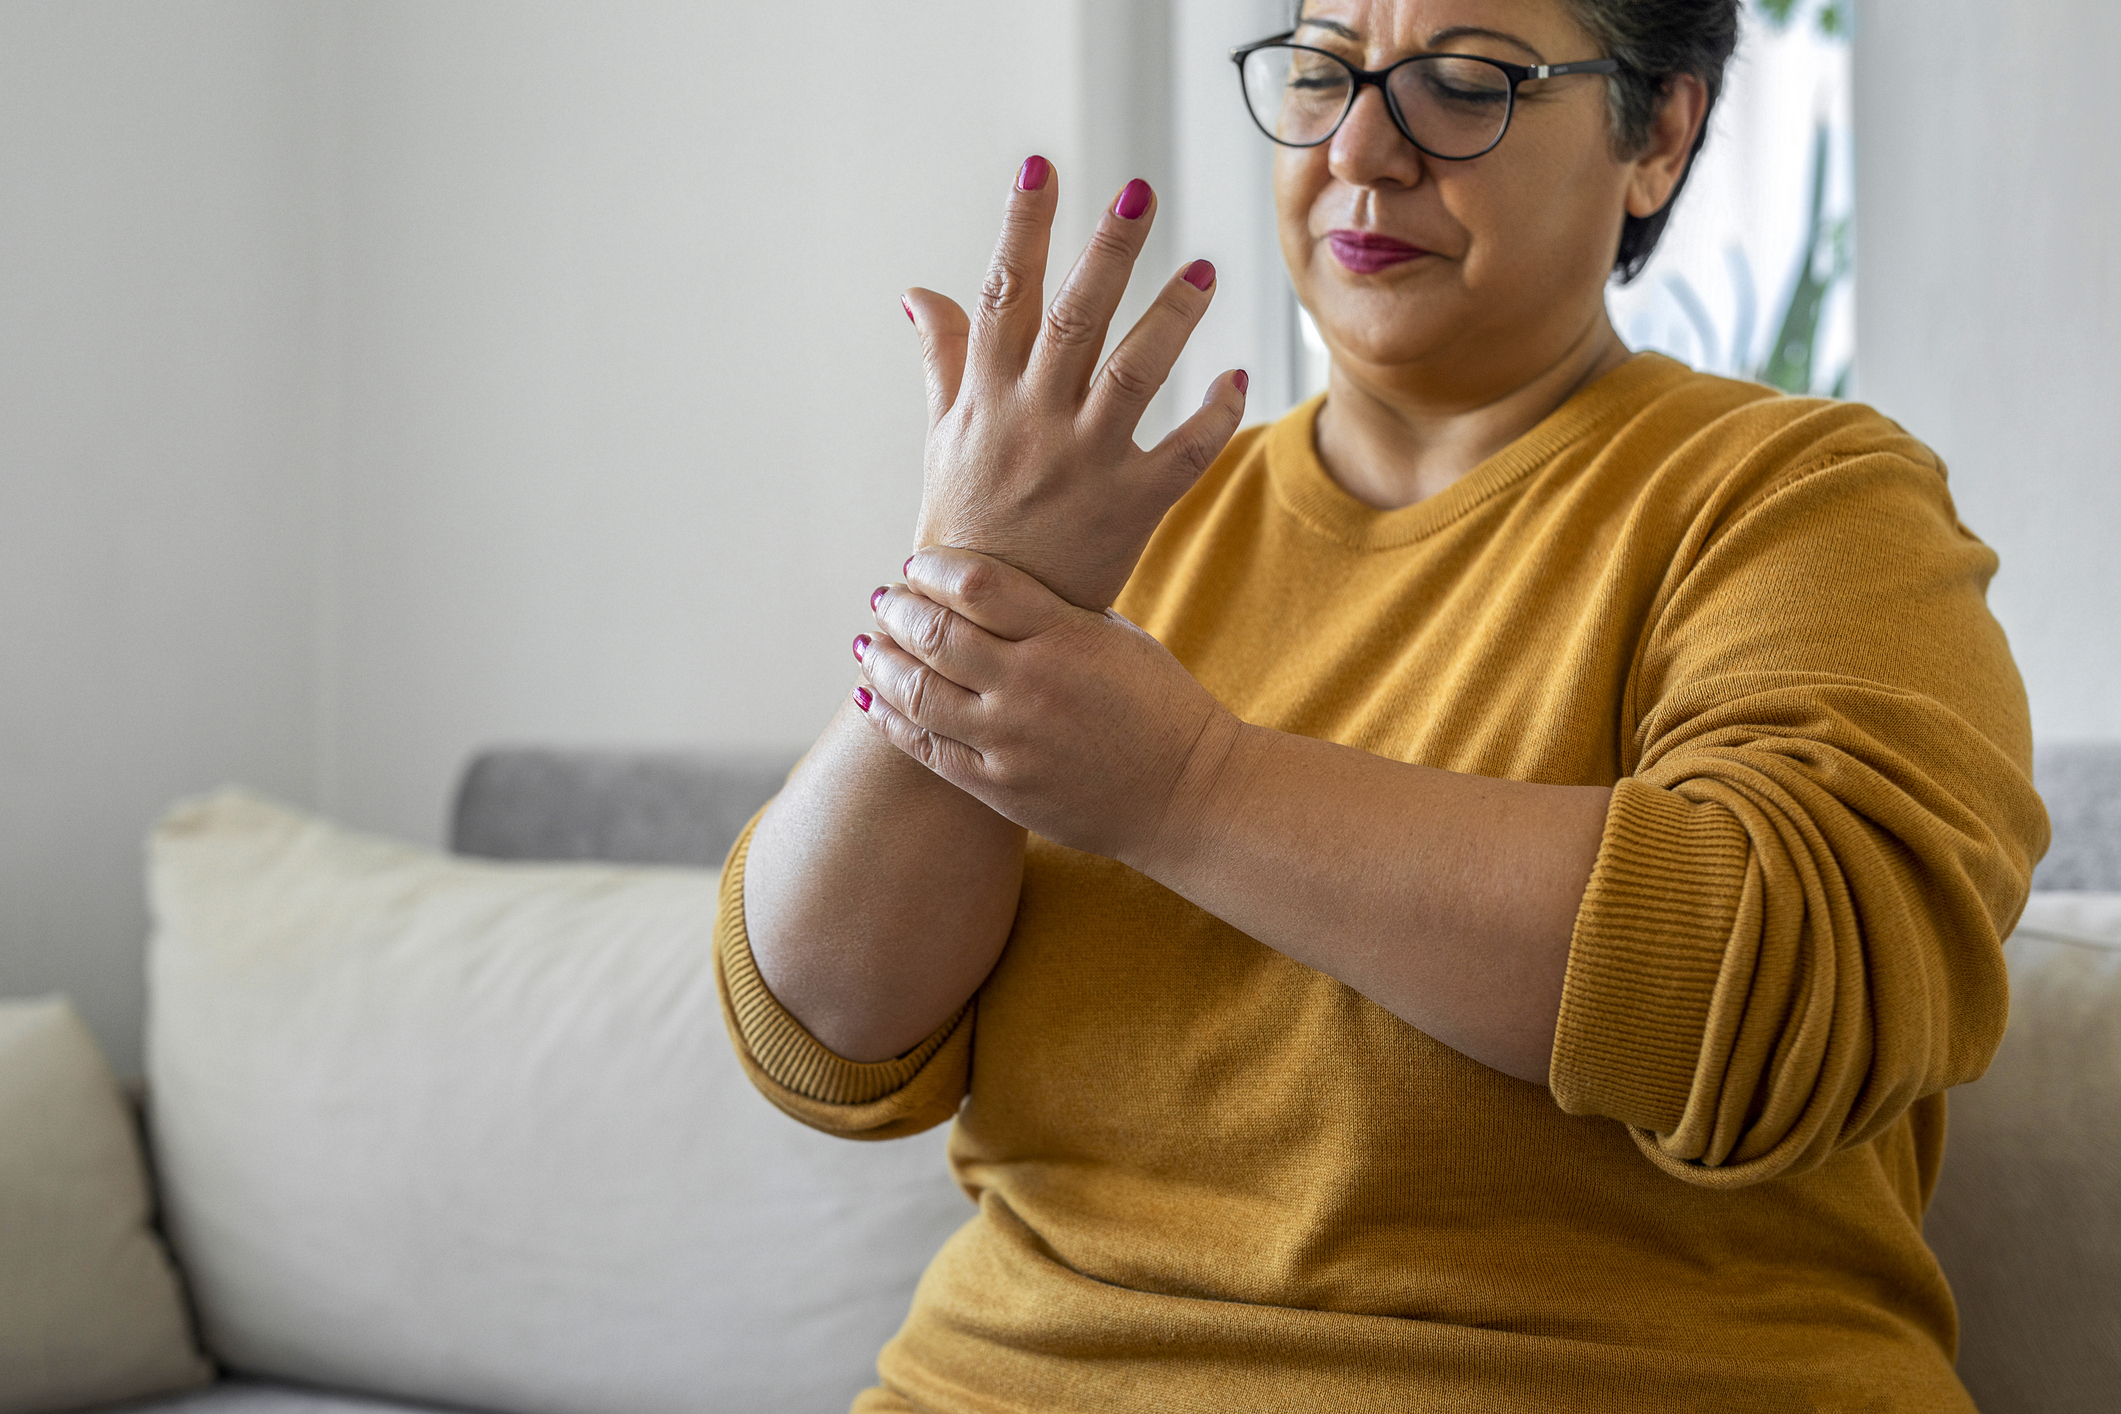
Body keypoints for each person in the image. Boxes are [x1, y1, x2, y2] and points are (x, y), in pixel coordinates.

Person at [716, 0, 2048, 1408]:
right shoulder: (1120, 525)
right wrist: (963, 580)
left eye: (1461, 84)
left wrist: (1184, 783)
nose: (1359, 147)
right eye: (1318, 74)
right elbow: (825, 1040)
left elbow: (1786, 991)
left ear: (1655, 133)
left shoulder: (1800, 500)